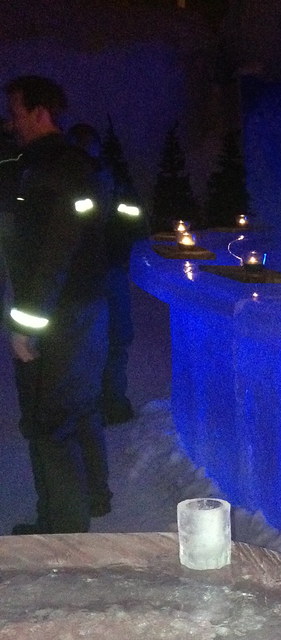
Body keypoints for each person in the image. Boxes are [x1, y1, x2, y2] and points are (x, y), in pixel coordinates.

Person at [2, 75, 110, 534]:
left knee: (49, 420)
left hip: (60, 313)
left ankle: (62, 532)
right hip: (80, 306)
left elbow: (55, 249)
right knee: (78, 408)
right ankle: (93, 497)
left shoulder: (53, 166)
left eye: (16, 112)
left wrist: (28, 323)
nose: (11, 122)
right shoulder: (64, 163)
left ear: (40, 111)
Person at [67, 122, 145, 425]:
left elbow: (134, 220)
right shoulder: (72, 181)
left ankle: (110, 404)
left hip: (106, 270)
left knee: (115, 338)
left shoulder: (111, 180)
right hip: (86, 275)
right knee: (94, 341)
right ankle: (96, 406)